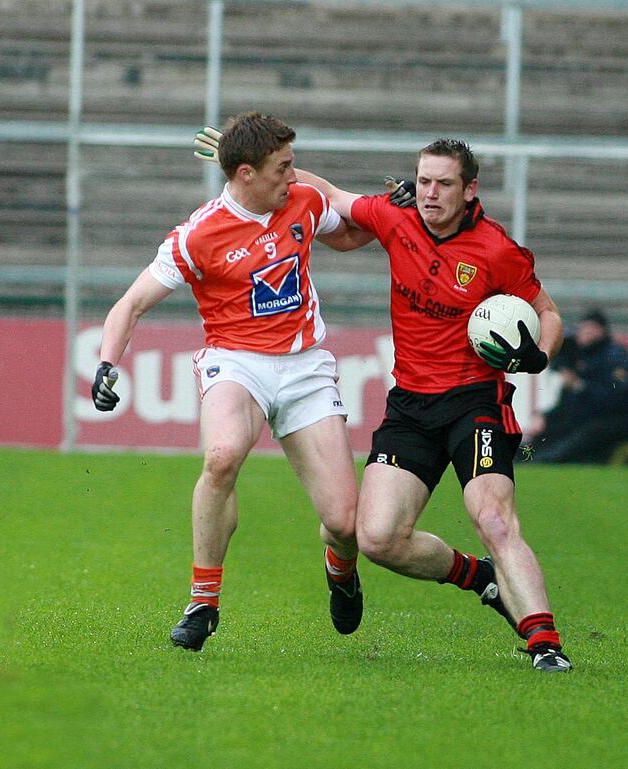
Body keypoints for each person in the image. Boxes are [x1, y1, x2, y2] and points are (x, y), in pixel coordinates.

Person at [195, 129, 572, 671]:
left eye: (444, 184)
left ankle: (546, 645)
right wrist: (242, 161)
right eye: (423, 182)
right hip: (410, 408)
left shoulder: (497, 250)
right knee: (375, 538)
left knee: (491, 516)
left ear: (470, 189)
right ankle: (479, 576)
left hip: (475, 402)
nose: (430, 193)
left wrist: (539, 354)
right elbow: (322, 191)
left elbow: (550, 313)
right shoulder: (396, 219)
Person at [92, 112, 376, 652]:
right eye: (283, 167)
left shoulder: (303, 202)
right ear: (246, 174)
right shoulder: (198, 234)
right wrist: (108, 363)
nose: (294, 177)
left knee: (343, 522)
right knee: (222, 456)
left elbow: (350, 236)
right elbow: (129, 304)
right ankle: (202, 602)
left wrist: (391, 212)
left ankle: (340, 571)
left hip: (305, 366)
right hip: (236, 361)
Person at [526, 308, 628, 464]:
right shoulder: (581, 357)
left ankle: (545, 461)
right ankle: (523, 458)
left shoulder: (616, 357)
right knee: (549, 431)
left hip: (616, 421)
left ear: (601, 330)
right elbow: (567, 405)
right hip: (587, 419)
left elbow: (616, 400)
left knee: (578, 440)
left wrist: (579, 386)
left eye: (589, 328)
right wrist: (546, 417)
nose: (584, 333)